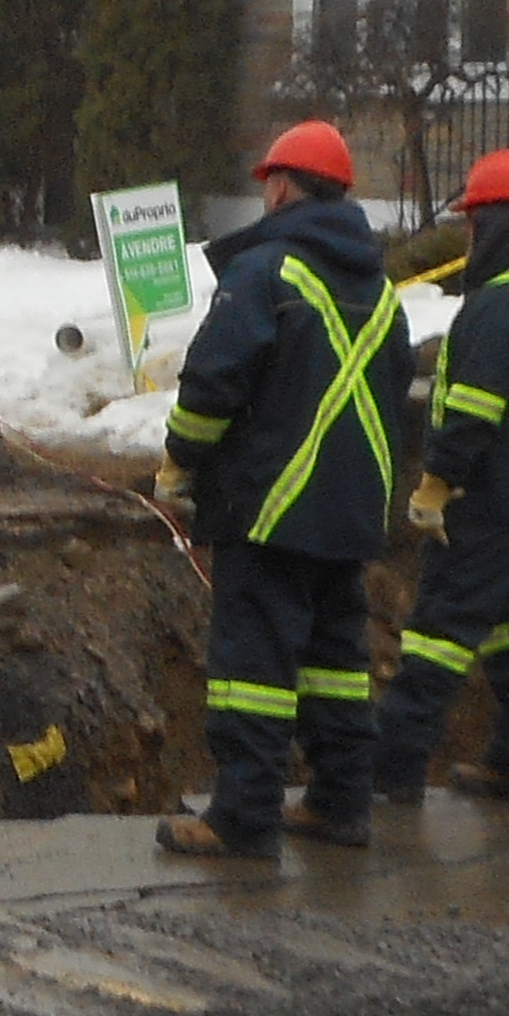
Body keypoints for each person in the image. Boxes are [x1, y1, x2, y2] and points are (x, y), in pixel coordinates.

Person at [154, 120, 415, 860]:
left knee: (253, 671)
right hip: (350, 513)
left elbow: (212, 382)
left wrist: (180, 461)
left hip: (270, 506)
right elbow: (396, 392)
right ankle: (339, 804)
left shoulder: (265, 271)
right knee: (337, 664)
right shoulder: (382, 289)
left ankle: (242, 817)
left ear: (279, 186)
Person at [372, 146, 509, 808]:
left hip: (492, 481)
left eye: (470, 224)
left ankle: (393, 773)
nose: (465, 235)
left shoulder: (496, 306)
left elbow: (471, 410)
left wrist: (437, 482)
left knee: (441, 624)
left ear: (492, 226)